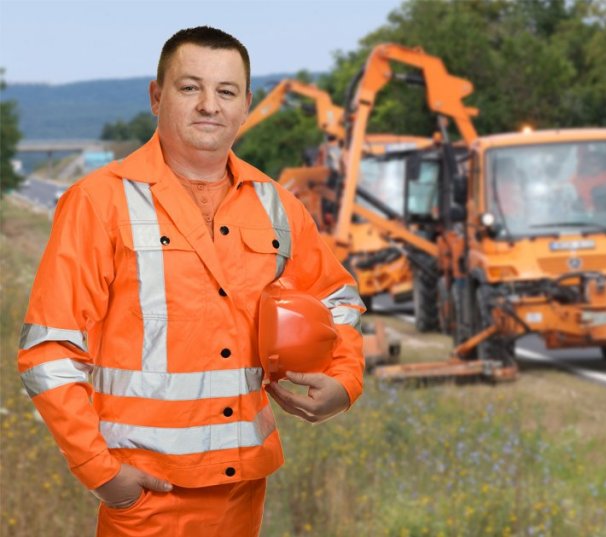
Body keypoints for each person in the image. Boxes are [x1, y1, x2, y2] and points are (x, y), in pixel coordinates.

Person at [16, 27, 365, 536]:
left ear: (246, 106)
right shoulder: (99, 202)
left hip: (243, 490)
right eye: (189, 87)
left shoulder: (276, 205)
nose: (209, 105)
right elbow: (48, 351)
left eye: (226, 91)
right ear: (157, 97)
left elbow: (338, 299)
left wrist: (345, 381)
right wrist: (101, 473)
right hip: (147, 495)